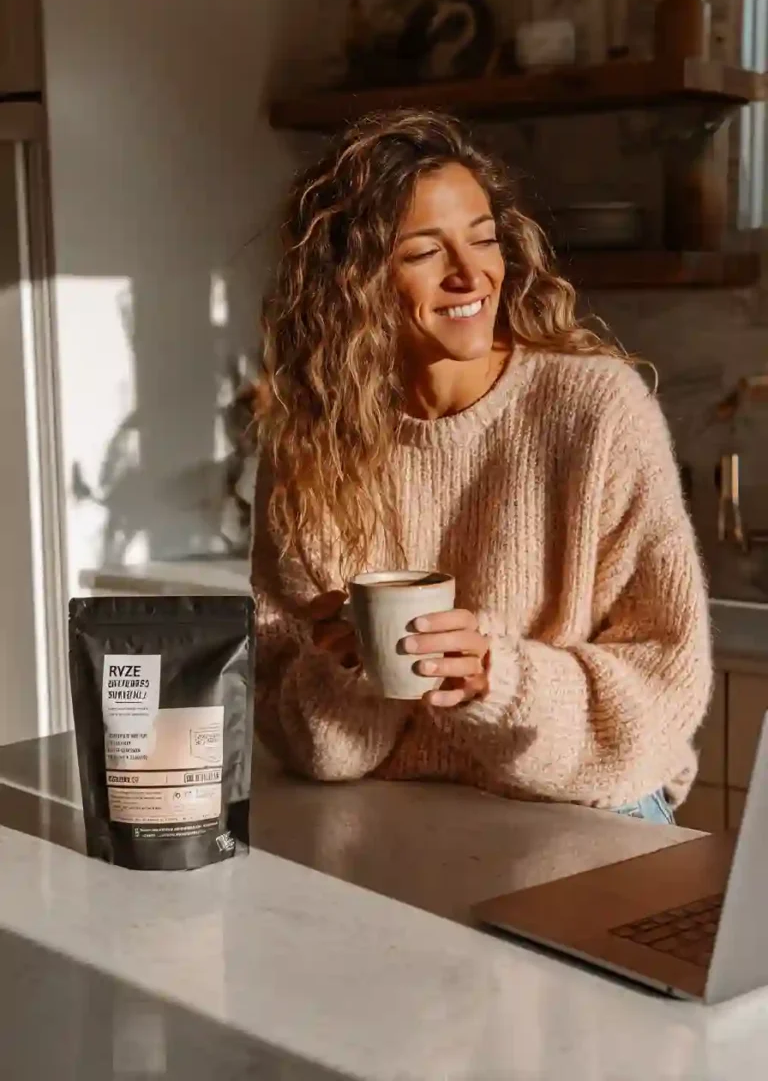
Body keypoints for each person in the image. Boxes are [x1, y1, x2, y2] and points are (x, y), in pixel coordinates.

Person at [250, 109, 712, 822]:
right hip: (392, 814)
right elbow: (314, 747)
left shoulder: (595, 411)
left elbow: (667, 682)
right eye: (425, 252)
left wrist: (498, 678)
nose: (472, 275)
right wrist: (350, 669)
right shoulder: (310, 448)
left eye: (485, 240)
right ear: (354, 279)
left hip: (587, 804)